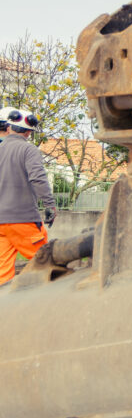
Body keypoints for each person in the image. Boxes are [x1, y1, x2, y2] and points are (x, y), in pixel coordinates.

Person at [0, 107, 56, 286]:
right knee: (46, 265)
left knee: (2, 274)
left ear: (8, 128)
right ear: (28, 131)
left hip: (1, 224)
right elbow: (38, 178)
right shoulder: (28, 150)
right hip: (23, 220)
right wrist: (50, 205)